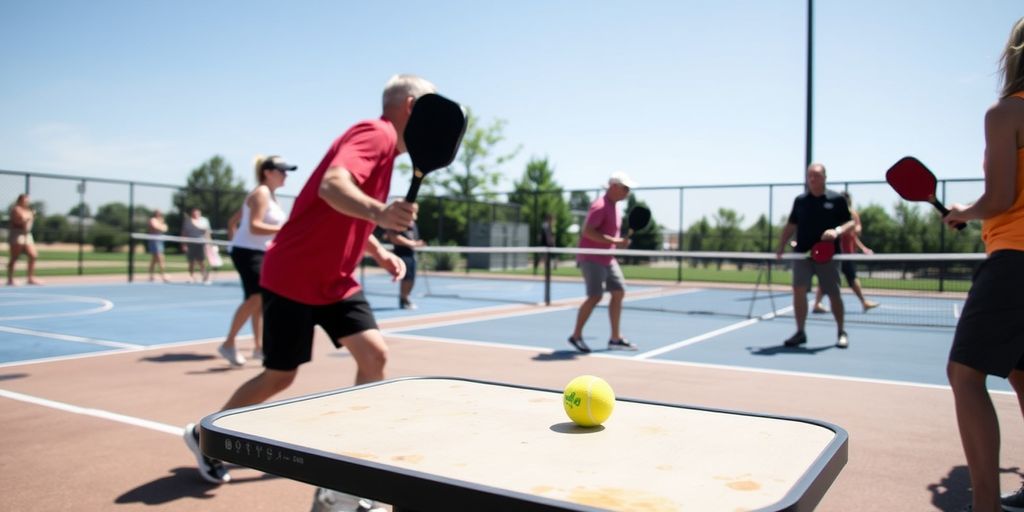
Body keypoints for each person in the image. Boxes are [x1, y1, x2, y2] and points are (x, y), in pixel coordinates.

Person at [182, 75, 427, 512]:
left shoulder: (388, 151)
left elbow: (345, 216)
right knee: (280, 376)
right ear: (409, 106)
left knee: (374, 357)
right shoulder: (377, 133)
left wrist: (376, 250)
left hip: (335, 280)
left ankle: (351, 465)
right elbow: (332, 187)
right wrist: (381, 214)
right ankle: (207, 437)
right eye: (429, 109)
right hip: (294, 275)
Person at [941, 17, 1024, 512]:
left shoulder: (1005, 114)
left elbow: (1000, 197)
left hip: (1014, 260)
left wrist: (963, 212)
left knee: (965, 375)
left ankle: (985, 507)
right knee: (1021, 376)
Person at [216, 155, 294, 367]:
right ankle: (229, 343)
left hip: (260, 252)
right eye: (282, 171)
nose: (286, 175)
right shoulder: (260, 193)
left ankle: (259, 348)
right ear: (268, 172)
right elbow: (255, 226)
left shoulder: (270, 195)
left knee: (258, 301)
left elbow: (238, 221)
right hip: (249, 252)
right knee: (257, 297)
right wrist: (286, 230)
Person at [775, 163, 855, 349]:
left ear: (825, 177)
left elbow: (850, 223)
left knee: (834, 294)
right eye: (809, 175)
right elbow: (791, 225)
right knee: (798, 290)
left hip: (828, 256)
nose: (812, 179)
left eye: (816, 175)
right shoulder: (800, 201)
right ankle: (800, 332)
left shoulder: (837, 200)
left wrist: (836, 231)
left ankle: (841, 331)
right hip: (802, 255)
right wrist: (780, 246)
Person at [567, 172, 638, 353]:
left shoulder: (616, 207)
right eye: (625, 188)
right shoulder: (600, 205)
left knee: (618, 291)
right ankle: (576, 335)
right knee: (595, 296)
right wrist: (615, 242)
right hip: (591, 257)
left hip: (608, 258)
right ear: (614, 187)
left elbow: (609, 236)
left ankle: (615, 338)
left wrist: (618, 243)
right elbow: (588, 232)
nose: (627, 192)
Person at [811, 191, 880, 314]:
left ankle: (817, 303)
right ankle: (863, 302)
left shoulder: (849, 214)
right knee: (844, 278)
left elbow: (854, 234)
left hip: (845, 253)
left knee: (834, 278)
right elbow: (855, 231)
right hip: (838, 253)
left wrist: (862, 247)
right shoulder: (843, 213)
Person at [386, 220, 425, 310]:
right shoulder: (397, 220)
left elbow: (413, 238)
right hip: (401, 254)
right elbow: (393, 237)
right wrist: (412, 243)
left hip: (411, 254)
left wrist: (417, 243)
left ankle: (405, 298)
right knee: (406, 278)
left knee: (411, 278)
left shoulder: (413, 224)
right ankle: (404, 299)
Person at [6, 193, 42, 286]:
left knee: (33, 255)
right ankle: (10, 279)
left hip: (27, 235)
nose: (27, 202)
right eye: (25, 200)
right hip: (17, 234)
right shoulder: (16, 209)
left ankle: (30, 277)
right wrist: (28, 217)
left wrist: (29, 216)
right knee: (14, 257)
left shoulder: (28, 210)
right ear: (20, 200)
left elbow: (29, 219)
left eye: (27, 200)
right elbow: (20, 220)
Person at [180, 207, 211, 284]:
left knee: (202, 261)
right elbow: (184, 233)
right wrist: (184, 244)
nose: (195, 214)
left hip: (201, 243)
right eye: (194, 213)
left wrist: (209, 244)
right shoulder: (188, 221)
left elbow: (208, 233)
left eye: (197, 213)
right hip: (191, 242)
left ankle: (204, 276)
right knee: (191, 261)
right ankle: (191, 276)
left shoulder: (204, 221)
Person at [146, 209, 170, 283]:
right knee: (160, 258)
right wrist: (161, 226)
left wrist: (161, 226)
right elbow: (156, 227)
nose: (159, 214)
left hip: (160, 241)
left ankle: (151, 275)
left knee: (155, 259)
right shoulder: (152, 220)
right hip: (154, 241)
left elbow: (165, 228)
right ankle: (163, 275)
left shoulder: (161, 220)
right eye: (157, 213)